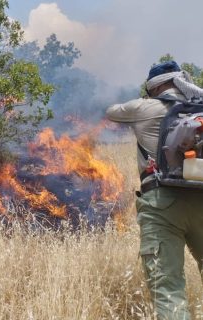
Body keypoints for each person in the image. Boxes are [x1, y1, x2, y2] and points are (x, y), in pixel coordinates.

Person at [106, 60, 203, 320]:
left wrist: (143, 100)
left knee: (169, 289)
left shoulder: (145, 107)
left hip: (162, 204)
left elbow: (111, 111)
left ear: (155, 87)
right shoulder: (200, 107)